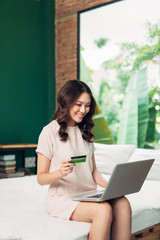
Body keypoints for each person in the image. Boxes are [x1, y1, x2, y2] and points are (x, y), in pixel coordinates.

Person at [36, 79, 131, 240]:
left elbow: (93, 172)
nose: (83, 110)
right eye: (78, 104)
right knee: (103, 210)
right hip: (62, 199)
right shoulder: (49, 132)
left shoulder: (86, 132)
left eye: (87, 105)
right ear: (66, 102)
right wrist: (60, 173)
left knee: (123, 203)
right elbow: (41, 178)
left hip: (87, 194)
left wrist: (111, 187)